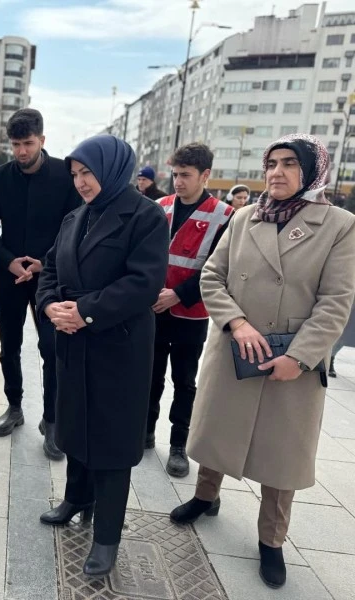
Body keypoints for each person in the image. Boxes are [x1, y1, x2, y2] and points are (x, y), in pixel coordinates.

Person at [171, 133, 355, 589]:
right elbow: (213, 275)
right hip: (238, 346)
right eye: (271, 162)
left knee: (281, 452)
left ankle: (271, 541)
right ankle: (205, 495)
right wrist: (236, 323)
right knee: (218, 427)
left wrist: (301, 356)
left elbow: (335, 302)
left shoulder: (338, 225)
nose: (276, 171)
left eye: (290, 163)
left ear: (311, 171)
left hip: (291, 358)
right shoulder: (245, 217)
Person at [36, 134, 169, 576]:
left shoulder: (146, 216)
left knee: (111, 440)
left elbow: (143, 283)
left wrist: (86, 313)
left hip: (118, 345)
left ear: (112, 169)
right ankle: (77, 498)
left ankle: (107, 536)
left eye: (87, 172)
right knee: (74, 425)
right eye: (75, 174)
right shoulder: (76, 216)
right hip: (73, 341)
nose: (81, 182)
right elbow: (51, 265)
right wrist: (50, 303)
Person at [0, 108, 82, 459]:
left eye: (28, 143)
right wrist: (9, 260)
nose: (21, 151)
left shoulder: (64, 176)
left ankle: (51, 421)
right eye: (15, 144)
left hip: (50, 280)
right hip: (10, 276)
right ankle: (14, 406)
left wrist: (43, 263)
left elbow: (74, 228)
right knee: (9, 346)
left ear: (42, 140)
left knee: (52, 349)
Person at [146, 143, 234, 478]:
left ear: (205, 175)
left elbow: (219, 268)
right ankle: (145, 431)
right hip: (154, 309)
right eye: (175, 174)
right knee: (150, 374)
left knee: (184, 381)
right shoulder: (160, 206)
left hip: (192, 313)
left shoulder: (224, 216)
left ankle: (179, 446)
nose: (178, 181)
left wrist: (178, 294)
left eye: (185, 175)